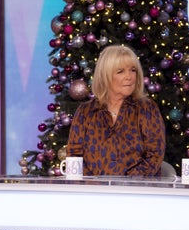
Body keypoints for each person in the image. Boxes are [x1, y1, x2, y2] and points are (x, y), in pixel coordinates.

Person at [66, 44, 165, 176]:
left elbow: (154, 155)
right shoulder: (85, 112)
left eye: (133, 70)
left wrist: (126, 184)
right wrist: (94, 186)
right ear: (105, 76)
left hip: (136, 191)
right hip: (93, 192)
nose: (129, 77)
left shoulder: (147, 109)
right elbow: (74, 155)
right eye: (120, 71)